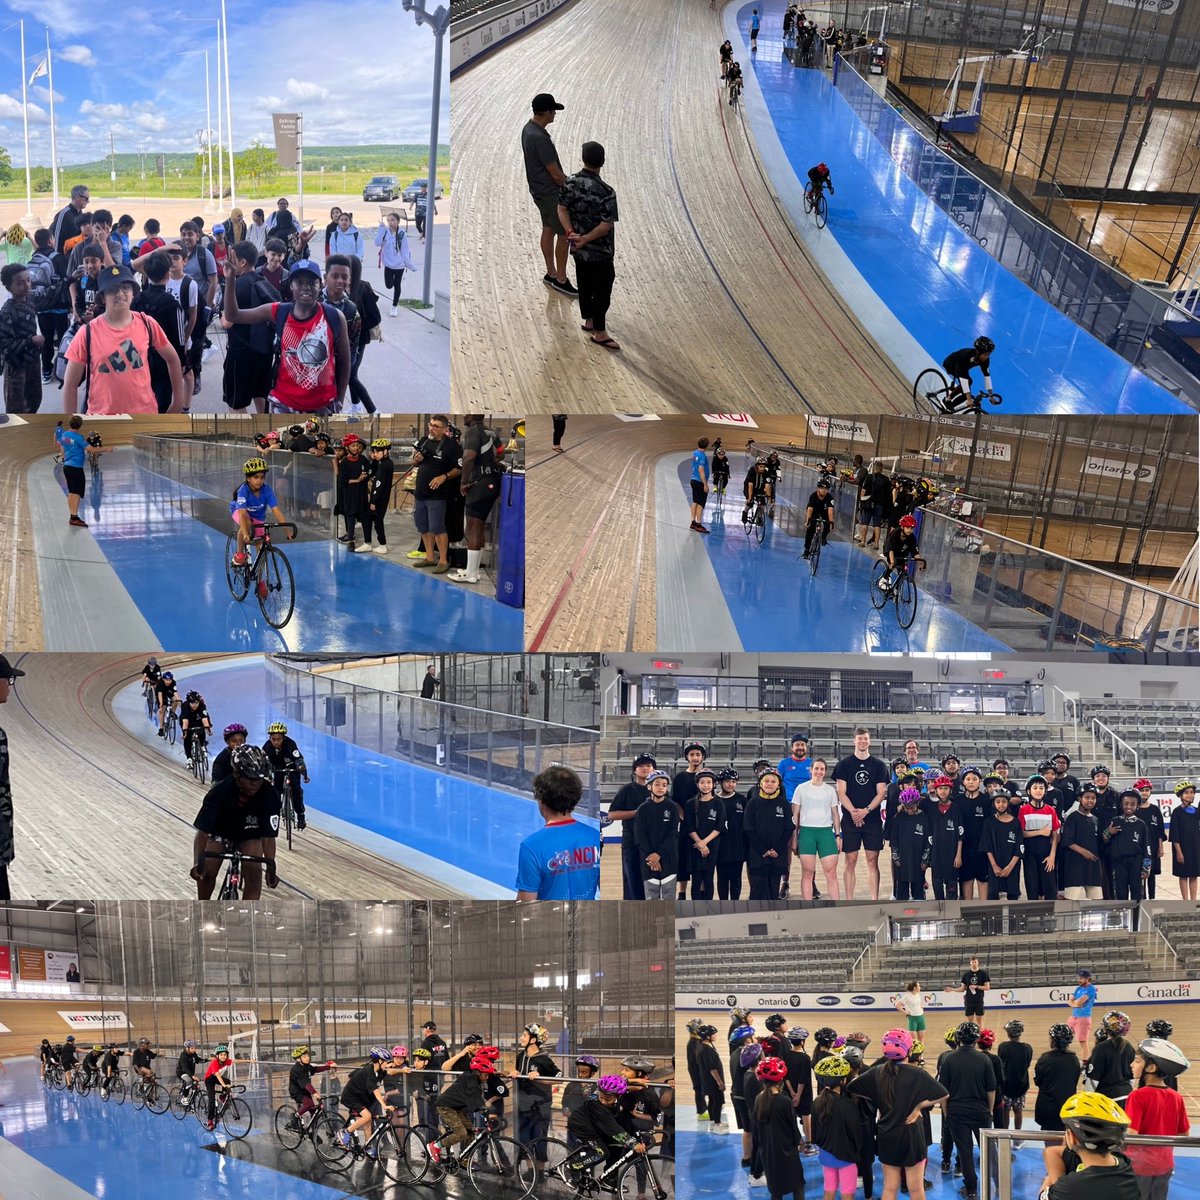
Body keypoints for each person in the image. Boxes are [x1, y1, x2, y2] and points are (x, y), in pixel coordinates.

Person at [222, 257, 349, 414]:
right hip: (284, 405)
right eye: (299, 282)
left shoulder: (334, 317)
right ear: (291, 286)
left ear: (320, 284)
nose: (306, 287)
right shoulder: (279, 311)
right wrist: (230, 279)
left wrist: (339, 401)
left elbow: (345, 362)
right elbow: (233, 315)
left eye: (312, 282)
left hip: (321, 406)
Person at [63, 264, 186, 414]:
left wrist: (178, 401)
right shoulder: (87, 333)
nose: (120, 293)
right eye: (112, 289)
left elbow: (173, 359)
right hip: (102, 418)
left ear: (133, 293)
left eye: (126, 288)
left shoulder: (147, 323)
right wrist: (72, 423)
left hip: (144, 413)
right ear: (102, 297)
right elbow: (70, 384)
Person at [847, 1029, 947, 1200]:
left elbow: (852, 1087)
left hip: (887, 1134)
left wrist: (877, 1099)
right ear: (909, 1051)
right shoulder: (918, 1073)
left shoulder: (876, 1071)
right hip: (911, 1135)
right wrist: (918, 1107)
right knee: (916, 1189)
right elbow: (943, 1094)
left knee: (889, 1188)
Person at [190, 744, 281, 900]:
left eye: (259, 779)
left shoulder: (270, 795)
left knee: (254, 879)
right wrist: (199, 862)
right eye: (250, 778)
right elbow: (202, 832)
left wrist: (271, 867)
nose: (255, 784)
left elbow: (268, 837)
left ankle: (247, 914)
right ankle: (203, 908)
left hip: (250, 834)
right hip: (220, 831)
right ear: (237, 775)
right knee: (207, 873)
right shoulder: (219, 791)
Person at [558, 140, 621, 351]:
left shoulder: (570, 183)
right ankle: (600, 333)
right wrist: (586, 238)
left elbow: (561, 209)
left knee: (584, 283)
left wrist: (571, 234)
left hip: (578, 249)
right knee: (602, 290)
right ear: (602, 162)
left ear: (583, 159)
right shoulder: (606, 192)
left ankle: (589, 320)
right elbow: (605, 226)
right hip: (601, 251)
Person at [515, 765, 600, 900]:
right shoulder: (594, 836)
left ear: (540, 799)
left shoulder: (532, 846)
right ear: (576, 798)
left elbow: (526, 902)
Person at [522, 93, 576, 296]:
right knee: (564, 234)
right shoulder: (540, 138)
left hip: (538, 191)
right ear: (546, 112)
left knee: (548, 228)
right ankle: (561, 279)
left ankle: (550, 273)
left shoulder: (528, 129)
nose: (555, 114)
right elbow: (555, 173)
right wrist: (571, 187)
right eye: (554, 110)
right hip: (551, 193)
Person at [937, 1022, 997, 1200]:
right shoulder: (984, 1059)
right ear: (976, 1040)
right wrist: (990, 1111)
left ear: (958, 1039)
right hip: (981, 1112)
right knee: (989, 1150)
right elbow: (991, 1090)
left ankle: (971, 1189)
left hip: (956, 1112)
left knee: (965, 1151)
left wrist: (946, 1112)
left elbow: (943, 1092)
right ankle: (999, 1182)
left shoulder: (948, 1059)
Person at [1125, 1039, 1190, 1200]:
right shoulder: (1176, 1097)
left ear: (1151, 1068)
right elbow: (1184, 1134)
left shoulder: (1137, 1096)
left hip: (1140, 1166)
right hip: (1165, 1163)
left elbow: (1131, 1135)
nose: (1132, 1065)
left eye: (1137, 1061)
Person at [1042, 1092, 1139, 1200]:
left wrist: (1051, 1177)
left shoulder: (1070, 1186)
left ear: (1071, 1137)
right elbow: (1051, 1152)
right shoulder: (1125, 1166)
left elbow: (1042, 1195)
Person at [832, 727, 890, 901]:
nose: (863, 741)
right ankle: (849, 901)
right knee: (850, 861)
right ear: (854, 741)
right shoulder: (843, 765)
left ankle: (874, 900)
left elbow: (881, 793)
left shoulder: (879, 765)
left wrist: (865, 811)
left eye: (865, 738)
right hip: (850, 820)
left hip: (872, 820)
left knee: (873, 861)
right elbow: (841, 792)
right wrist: (854, 813)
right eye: (860, 738)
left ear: (869, 741)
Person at [220, 240, 278, 413]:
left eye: (232, 259)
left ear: (242, 262)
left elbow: (227, 322)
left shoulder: (235, 286)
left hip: (240, 355)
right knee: (261, 395)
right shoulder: (266, 284)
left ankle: (245, 431)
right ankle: (265, 429)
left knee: (236, 404)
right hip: (264, 353)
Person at [131, 252, 190, 413]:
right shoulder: (172, 304)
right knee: (162, 403)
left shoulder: (137, 300)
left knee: (141, 401)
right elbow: (179, 339)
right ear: (167, 274)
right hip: (165, 360)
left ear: (147, 273)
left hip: (139, 358)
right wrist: (182, 362)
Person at [429, 1046, 503, 1163]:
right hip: (446, 1107)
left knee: (470, 1132)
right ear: (478, 1072)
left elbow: (477, 1100)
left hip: (457, 1107)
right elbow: (475, 1100)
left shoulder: (475, 1078)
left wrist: (487, 1110)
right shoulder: (470, 1080)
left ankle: (464, 1159)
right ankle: (435, 1146)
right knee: (461, 1134)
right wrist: (488, 1112)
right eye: (486, 1075)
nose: (487, 1078)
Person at [409, 414, 461, 573]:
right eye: (430, 425)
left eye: (436, 426)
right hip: (420, 493)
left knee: (437, 528)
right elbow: (413, 462)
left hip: (437, 496)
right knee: (423, 527)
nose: (431, 428)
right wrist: (416, 460)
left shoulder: (452, 447)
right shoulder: (424, 440)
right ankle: (430, 557)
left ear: (445, 429)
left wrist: (444, 476)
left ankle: (443, 561)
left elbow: (458, 469)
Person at [453, 415, 501, 583]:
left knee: (472, 529)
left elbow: (469, 456)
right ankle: (473, 571)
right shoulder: (491, 431)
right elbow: (501, 453)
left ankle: (471, 574)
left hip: (479, 483)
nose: (464, 415)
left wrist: (463, 481)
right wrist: (489, 463)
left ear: (472, 416)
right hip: (492, 481)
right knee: (479, 527)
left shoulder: (473, 431)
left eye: (467, 413)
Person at [229, 455, 294, 567]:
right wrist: (246, 534)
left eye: (262, 477)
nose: (259, 481)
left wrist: (287, 530)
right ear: (248, 478)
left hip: (257, 516)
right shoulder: (243, 491)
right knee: (247, 523)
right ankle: (240, 553)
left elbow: (277, 511)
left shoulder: (267, 490)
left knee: (260, 545)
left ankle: (260, 575)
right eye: (256, 477)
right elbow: (242, 514)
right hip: (238, 511)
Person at [793, 757, 840, 900]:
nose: (819, 772)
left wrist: (838, 835)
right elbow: (795, 815)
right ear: (811, 769)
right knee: (808, 873)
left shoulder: (830, 790)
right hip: (807, 833)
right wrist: (795, 837)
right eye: (816, 768)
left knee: (831, 872)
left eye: (822, 769)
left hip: (826, 833)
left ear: (825, 771)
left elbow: (835, 814)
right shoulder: (801, 789)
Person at [0, 263, 44, 412]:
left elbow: (49, 296)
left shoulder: (30, 299)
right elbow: (4, 345)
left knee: (35, 399)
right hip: (16, 367)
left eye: (28, 280)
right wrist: (31, 341)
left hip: (33, 362)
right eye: (20, 283)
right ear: (8, 288)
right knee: (16, 407)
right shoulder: (7, 311)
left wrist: (68, 280)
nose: (26, 285)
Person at [745, 766, 793, 900]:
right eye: (766, 781)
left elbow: (789, 828)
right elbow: (748, 828)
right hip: (758, 855)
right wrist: (763, 850)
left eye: (773, 781)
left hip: (778, 854)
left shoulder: (784, 803)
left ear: (778, 785)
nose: (770, 784)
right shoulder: (752, 803)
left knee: (774, 889)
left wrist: (777, 849)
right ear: (760, 783)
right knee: (758, 889)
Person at [612, 752, 655, 899]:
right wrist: (636, 813)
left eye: (648, 765)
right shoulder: (626, 790)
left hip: (653, 845)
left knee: (652, 883)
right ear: (634, 770)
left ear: (654, 769)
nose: (645, 768)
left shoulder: (659, 790)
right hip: (631, 842)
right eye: (641, 766)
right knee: (632, 883)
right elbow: (611, 815)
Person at [54, 415, 110, 527]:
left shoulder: (64, 435)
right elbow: (91, 449)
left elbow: (62, 449)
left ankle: (72, 515)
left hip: (67, 466)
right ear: (80, 425)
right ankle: (74, 517)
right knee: (77, 493)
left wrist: (64, 458)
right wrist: (107, 449)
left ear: (70, 424)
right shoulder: (79, 437)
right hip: (76, 467)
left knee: (71, 492)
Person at [263, 721, 310, 832]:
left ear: (283, 738)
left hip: (292, 768)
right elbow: (263, 762)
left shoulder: (290, 744)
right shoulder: (267, 747)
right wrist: (267, 776)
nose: (276, 742)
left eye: (279, 739)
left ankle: (301, 815)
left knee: (296, 790)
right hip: (278, 769)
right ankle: (274, 813)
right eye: (273, 739)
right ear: (270, 738)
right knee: (275, 792)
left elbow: (299, 760)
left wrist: (303, 772)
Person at [1035, 1025, 1083, 1132]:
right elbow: (1074, 1081)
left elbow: (1037, 1081)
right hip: (1067, 1108)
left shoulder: (1045, 1059)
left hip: (1047, 1107)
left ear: (1052, 1041)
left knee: (1047, 1138)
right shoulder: (1074, 1060)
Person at [1105, 790, 1148, 902]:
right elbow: (1104, 839)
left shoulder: (1141, 824)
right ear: (1121, 804)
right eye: (1126, 803)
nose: (1129, 806)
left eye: (1132, 804)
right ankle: (1122, 912)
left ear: (1137, 805)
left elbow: (1146, 846)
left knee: (1137, 892)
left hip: (1136, 862)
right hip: (1118, 862)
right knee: (1120, 892)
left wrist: (1146, 867)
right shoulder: (1114, 821)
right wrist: (1109, 832)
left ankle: (1137, 912)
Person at [980, 789, 1022, 899]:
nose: (1001, 804)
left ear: (1008, 803)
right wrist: (994, 866)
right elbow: (987, 846)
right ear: (993, 803)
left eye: (1004, 801)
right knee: (993, 895)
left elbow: (1019, 848)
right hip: (995, 865)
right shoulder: (988, 822)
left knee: (1013, 895)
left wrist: (1010, 867)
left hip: (1012, 866)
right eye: (997, 801)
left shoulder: (1016, 822)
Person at [1062, 787, 1104, 899]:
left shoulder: (1095, 819)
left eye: (1093, 798)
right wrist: (1083, 852)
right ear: (1080, 798)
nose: (1090, 800)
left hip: (1092, 867)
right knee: (1072, 899)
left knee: (1097, 899)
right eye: (1087, 797)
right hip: (1075, 866)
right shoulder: (1072, 817)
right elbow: (1067, 841)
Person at [1087, 1011, 1135, 1104]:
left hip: (1107, 1098)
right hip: (1127, 1095)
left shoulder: (1100, 1048)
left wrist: (1088, 1099)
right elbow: (1132, 1077)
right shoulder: (1129, 1046)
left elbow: (1093, 1079)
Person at [941, 338, 997, 413]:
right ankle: (947, 400)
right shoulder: (965, 355)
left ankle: (947, 410)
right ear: (978, 352)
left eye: (988, 355)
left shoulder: (985, 360)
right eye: (985, 354)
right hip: (951, 365)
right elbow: (963, 379)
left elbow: (987, 376)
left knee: (966, 391)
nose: (987, 357)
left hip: (963, 368)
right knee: (968, 385)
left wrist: (991, 395)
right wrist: (969, 399)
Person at [288, 1045, 337, 1127]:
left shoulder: (307, 1066)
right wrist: (314, 1093)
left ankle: (312, 1131)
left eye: (307, 1056)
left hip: (305, 1091)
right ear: (298, 1059)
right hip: (297, 1092)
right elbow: (305, 1083)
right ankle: (295, 1118)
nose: (307, 1058)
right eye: (304, 1057)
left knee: (314, 1112)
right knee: (309, 1104)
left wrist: (328, 1067)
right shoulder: (296, 1069)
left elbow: (315, 1069)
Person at [878, 514, 927, 591]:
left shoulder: (912, 538)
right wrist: (892, 562)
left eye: (911, 528)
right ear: (902, 527)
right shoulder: (895, 533)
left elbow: (915, 552)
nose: (909, 530)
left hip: (902, 553)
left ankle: (897, 590)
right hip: (891, 551)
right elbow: (890, 549)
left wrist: (921, 563)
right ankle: (884, 579)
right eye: (907, 527)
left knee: (902, 570)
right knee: (893, 564)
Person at [362, 438, 394, 555]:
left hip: (379, 499)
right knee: (372, 519)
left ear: (385, 451)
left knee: (376, 521)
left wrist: (373, 501)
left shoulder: (384, 465)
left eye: (377, 452)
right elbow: (372, 472)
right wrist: (375, 460)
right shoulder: (384, 462)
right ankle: (373, 543)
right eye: (373, 452)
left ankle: (381, 545)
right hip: (381, 498)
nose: (374, 454)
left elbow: (379, 484)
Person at [1169, 779, 1198, 900]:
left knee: (1194, 875)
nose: (1189, 795)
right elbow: (1174, 834)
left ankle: (1193, 900)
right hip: (1182, 848)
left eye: (1191, 792)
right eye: (1186, 793)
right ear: (1180, 795)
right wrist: (1179, 852)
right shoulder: (1177, 812)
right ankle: (1185, 901)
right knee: (1183, 875)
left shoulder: (1197, 811)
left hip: (1195, 848)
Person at [945, 955, 990, 1026]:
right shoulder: (966, 975)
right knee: (970, 1020)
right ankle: (971, 1032)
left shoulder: (983, 974)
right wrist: (951, 989)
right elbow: (962, 989)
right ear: (970, 963)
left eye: (975, 962)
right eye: (972, 962)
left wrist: (977, 986)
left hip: (979, 1000)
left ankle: (981, 1031)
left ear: (978, 962)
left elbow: (987, 987)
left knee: (979, 1019)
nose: (974, 964)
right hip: (968, 1000)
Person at [803, 477, 835, 559]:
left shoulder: (830, 498)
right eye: (822, 488)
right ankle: (806, 550)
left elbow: (830, 511)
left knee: (827, 525)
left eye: (826, 489)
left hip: (824, 510)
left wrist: (831, 523)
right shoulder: (813, 496)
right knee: (810, 529)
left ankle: (823, 537)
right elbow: (810, 509)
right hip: (814, 510)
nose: (824, 491)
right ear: (818, 488)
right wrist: (808, 521)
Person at [1068, 969, 1098, 1054]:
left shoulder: (1091, 989)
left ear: (1087, 978)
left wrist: (1075, 1003)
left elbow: (1078, 1002)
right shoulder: (1078, 988)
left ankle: (1085, 1061)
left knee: (1083, 1042)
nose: (1079, 980)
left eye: (1081, 978)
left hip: (1083, 1017)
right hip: (1074, 1016)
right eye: (1078, 978)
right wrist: (1075, 1005)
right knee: (1064, 1035)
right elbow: (1070, 1002)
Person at [688, 437, 712, 533]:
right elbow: (701, 470)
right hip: (699, 482)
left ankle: (693, 522)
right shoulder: (702, 456)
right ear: (706, 446)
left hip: (694, 480)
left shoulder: (695, 453)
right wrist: (705, 484)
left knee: (695, 502)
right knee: (701, 504)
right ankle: (698, 524)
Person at [180, 691, 212, 764]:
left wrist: (208, 730)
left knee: (201, 730)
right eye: (192, 703)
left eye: (196, 703)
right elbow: (185, 721)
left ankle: (202, 745)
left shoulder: (202, 705)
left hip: (198, 719)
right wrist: (184, 732)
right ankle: (189, 758)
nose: (194, 705)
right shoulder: (185, 706)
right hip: (188, 720)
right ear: (188, 702)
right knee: (187, 738)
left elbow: (204, 719)